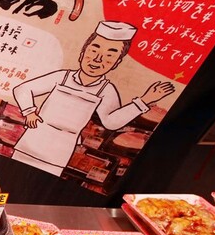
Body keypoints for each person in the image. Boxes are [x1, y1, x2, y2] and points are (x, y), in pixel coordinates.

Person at [11, 20, 175, 176]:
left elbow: (111, 122)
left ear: (116, 63)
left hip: (59, 151)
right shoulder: (63, 77)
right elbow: (22, 89)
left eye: (109, 55)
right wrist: (29, 112)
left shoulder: (106, 90)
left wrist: (144, 100)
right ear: (82, 53)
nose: (98, 59)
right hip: (32, 140)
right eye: (94, 50)